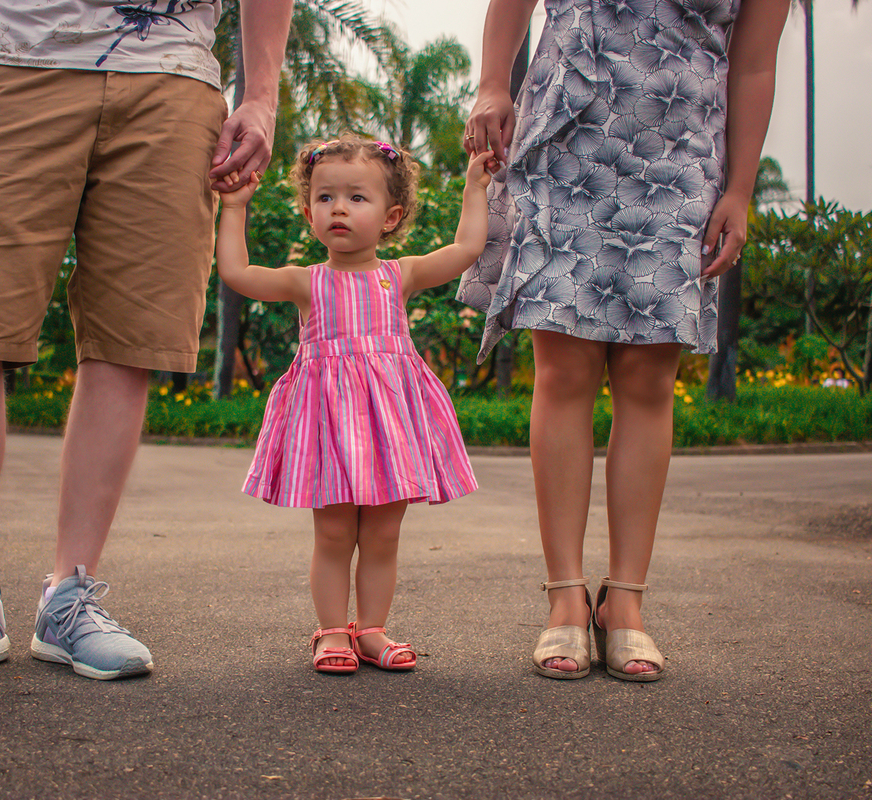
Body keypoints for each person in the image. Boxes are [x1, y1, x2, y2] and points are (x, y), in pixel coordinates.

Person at [0, 0, 294, 684]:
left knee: (130, 335)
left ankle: (71, 596)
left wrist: (261, 94)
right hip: (12, 59)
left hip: (174, 78)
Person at [460, 0, 788, 681]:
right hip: (567, 136)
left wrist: (742, 189)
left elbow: (754, 63)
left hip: (681, 153)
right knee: (563, 370)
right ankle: (566, 599)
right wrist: (494, 82)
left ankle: (627, 604)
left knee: (647, 379)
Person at [215, 136, 491, 673]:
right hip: (331, 430)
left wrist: (475, 187)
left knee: (384, 535)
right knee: (336, 533)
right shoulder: (305, 282)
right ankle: (331, 632)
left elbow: (465, 251)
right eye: (325, 198)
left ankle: (372, 630)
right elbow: (236, 274)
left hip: (393, 430)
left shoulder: (399, 276)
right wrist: (234, 207)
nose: (338, 208)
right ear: (308, 211)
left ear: (391, 217)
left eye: (356, 198)